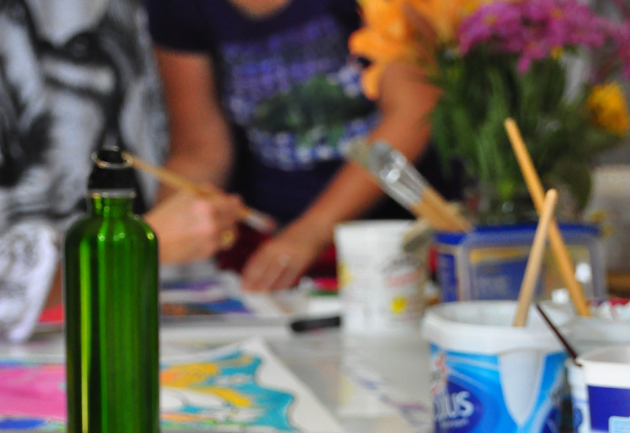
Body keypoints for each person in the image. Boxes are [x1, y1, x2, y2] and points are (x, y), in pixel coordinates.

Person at [147, 0, 439, 290]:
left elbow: (413, 113)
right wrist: (157, 250)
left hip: (399, 242)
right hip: (269, 248)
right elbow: (199, 148)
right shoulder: (178, 7)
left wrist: (311, 231)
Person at [0, 0, 243, 338]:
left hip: (152, 305)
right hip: (37, 342)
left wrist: (181, 222)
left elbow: (195, 143)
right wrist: (135, 247)